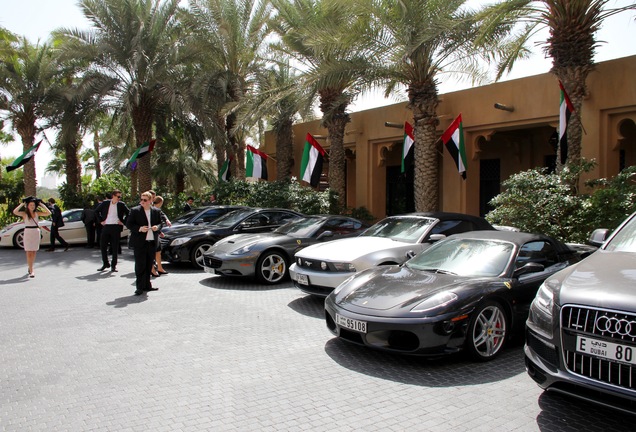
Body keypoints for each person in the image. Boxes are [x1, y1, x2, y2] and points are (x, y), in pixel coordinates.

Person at [126, 191, 163, 296]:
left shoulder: (156, 211)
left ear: (150, 201)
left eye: (145, 200)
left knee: (148, 264)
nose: (142, 201)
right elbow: (129, 224)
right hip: (139, 242)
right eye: (141, 199)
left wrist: (157, 227)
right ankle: (139, 287)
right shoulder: (135, 211)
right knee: (140, 265)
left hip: (151, 241)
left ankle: (147, 285)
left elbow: (161, 223)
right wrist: (139, 228)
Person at [13, 197, 51, 278]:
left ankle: (31, 267)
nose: (32, 206)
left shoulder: (37, 213)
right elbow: (15, 211)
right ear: (28, 206)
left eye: (33, 205)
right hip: (28, 232)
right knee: (28, 252)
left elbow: (48, 213)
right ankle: (31, 270)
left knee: (33, 251)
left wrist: (41, 204)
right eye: (30, 205)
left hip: (35, 232)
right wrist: (22, 204)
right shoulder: (24, 214)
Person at [94, 189, 129, 272]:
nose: (119, 198)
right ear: (113, 196)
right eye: (118, 196)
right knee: (103, 245)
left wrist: (123, 222)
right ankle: (105, 263)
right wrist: (101, 221)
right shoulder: (106, 203)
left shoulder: (121, 204)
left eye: (120, 196)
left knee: (115, 247)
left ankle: (114, 265)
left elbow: (129, 213)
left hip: (116, 227)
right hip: (106, 226)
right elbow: (96, 212)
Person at [152, 196, 172, 276]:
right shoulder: (151, 210)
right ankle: (153, 269)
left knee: (158, 251)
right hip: (152, 234)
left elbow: (161, 217)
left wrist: (159, 231)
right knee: (153, 252)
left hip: (156, 233)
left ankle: (159, 268)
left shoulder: (158, 210)